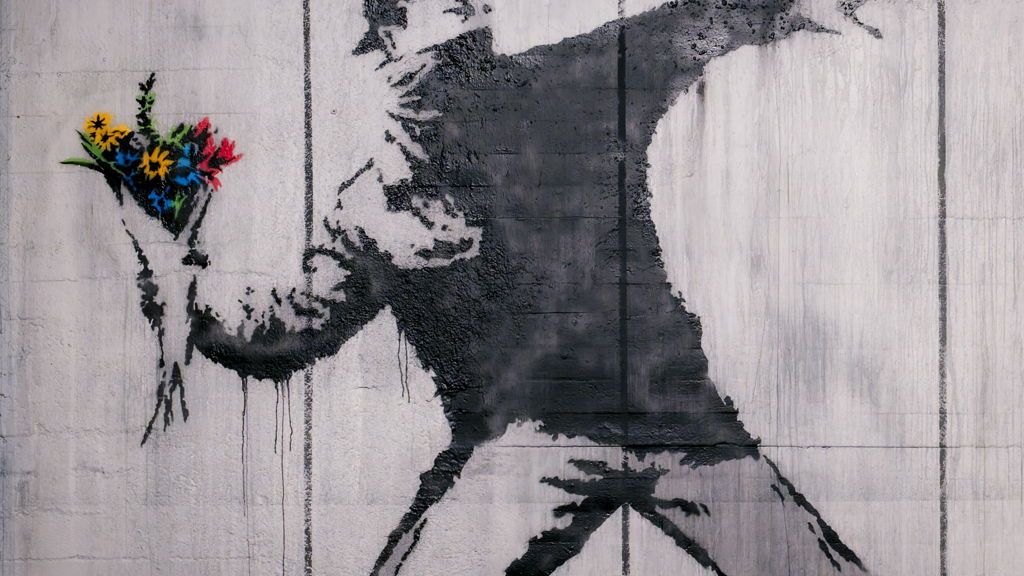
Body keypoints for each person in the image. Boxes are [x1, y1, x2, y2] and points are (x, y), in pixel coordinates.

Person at [110, 1, 880, 573]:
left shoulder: (547, 99)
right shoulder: (385, 198)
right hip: (569, 437)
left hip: (655, 427)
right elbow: (288, 334)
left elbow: (682, 31)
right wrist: (179, 286)